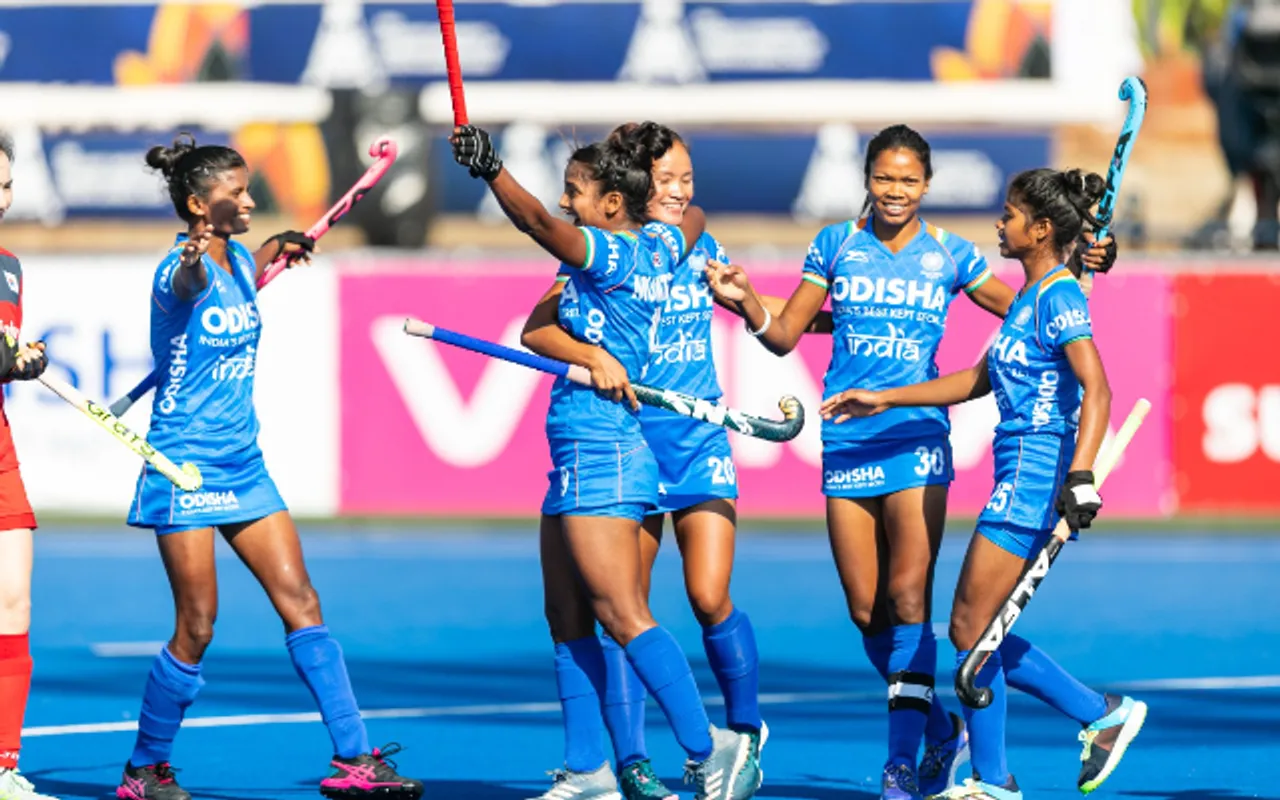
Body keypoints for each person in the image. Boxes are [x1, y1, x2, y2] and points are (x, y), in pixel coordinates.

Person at [702, 125, 1116, 800]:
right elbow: (782, 333)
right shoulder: (835, 244)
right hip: (849, 439)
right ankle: (941, 732)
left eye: (908, 180)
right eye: (884, 178)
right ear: (867, 179)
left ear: (926, 185)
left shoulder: (953, 256)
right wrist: (745, 300)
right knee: (868, 613)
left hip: (919, 442)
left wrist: (1084, 260)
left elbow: (1034, 314)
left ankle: (905, 766)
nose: (895, 192)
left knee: (909, 603)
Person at [449, 123, 758, 800]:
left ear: (614, 204)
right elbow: (692, 216)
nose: (565, 206)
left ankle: (710, 753)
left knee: (623, 613)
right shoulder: (652, 244)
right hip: (573, 449)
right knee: (566, 615)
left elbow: (531, 220)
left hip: (605, 446)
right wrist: (591, 354)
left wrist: (492, 169)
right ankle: (590, 771)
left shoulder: (608, 256)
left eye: (576, 194)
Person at [819, 168, 1147, 800]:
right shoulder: (1032, 296)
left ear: (1042, 229)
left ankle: (1081, 724)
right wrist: (884, 398)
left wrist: (1081, 477)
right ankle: (1008, 770)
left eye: (1011, 214)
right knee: (979, 631)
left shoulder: (1060, 297)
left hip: (1034, 474)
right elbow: (978, 379)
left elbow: (1098, 388)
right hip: (1015, 469)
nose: (1001, 223)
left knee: (971, 630)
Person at [117, 134, 423, 800]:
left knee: (302, 603)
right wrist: (196, 256)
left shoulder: (233, 263)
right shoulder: (182, 270)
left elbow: (233, 275)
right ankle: (144, 769)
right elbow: (187, 281)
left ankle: (354, 761)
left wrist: (272, 246)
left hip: (242, 463)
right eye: (237, 193)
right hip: (184, 469)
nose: (252, 198)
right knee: (197, 626)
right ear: (200, 205)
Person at [0, 131, 59, 800]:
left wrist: (23, 358)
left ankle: (2, 767)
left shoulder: (10, 266)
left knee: (13, 601)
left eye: (9, 184)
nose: (3, 198)